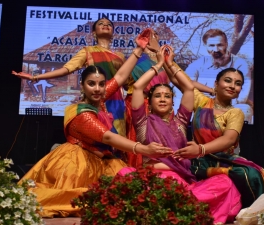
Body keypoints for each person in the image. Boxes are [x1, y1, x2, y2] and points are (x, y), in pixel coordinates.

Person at [18, 43, 172, 218]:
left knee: (130, 196)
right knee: (79, 199)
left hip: (103, 160)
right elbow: (107, 137)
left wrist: (139, 49)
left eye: (101, 84)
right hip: (77, 163)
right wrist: (143, 149)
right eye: (91, 84)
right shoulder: (80, 112)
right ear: (82, 86)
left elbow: (121, 76)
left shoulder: (101, 98)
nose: (97, 89)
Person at [119, 44, 242, 224]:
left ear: (172, 102)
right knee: (124, 173)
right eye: (157, 96)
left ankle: (170, 205)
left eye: (167, 96)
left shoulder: (181, 122)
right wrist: (158, 64)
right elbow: (137, 87)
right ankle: (177, 208)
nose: (162, 99)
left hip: (177, 182)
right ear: (150, 103)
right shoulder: (142, 122)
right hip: (149, 179)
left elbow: (188, 89)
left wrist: (170, 63)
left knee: (224, 182)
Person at [168, 62, 264, 208]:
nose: (232, 86)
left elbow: (228, 139)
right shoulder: (202, 102)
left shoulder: (235, 112)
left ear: (240, 90)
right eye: (227, 80)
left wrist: (200, 149)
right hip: (198, 160)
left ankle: (255, 214)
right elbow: (177, 80)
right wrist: (167, 61)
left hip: (223, 159)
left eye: (238, 84)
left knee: (251, 174)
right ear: (216, 84)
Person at [13, 18, 127, 138]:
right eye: (101, 24)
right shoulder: (87, 51)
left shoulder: (120, 56)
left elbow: (128, 82)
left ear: (113, 32)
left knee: (118, 138)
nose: (105, 25)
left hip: (116, 102)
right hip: (95, 99)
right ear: (94, 32)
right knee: (97, 138)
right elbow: (66, 69)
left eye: (109, 24)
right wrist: (35, 77)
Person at [175, 28, 253, 122]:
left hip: (228, 107)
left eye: (220, 45)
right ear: (205, 46)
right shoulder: (197, 65)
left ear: (226, 44)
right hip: (201, 107)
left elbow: (242, 96)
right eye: (211, 45)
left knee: (245, 109)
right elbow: (183, 85)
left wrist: (218, 106)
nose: (216, 49)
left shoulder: (240, 64)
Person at [124, 28, 170, 168]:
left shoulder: (164, 59)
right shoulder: (135, 59)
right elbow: (126, 84)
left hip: (160, 105)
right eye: (146, 36)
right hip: (139, 104)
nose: (151, 38)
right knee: (138, 139)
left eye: (154, 35)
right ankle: (135, 173)